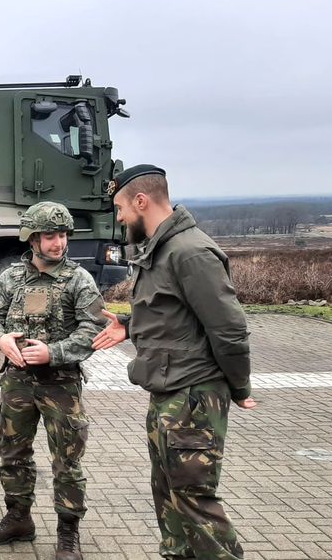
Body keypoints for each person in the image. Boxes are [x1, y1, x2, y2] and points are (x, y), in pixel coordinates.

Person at [92, 164, 256, 560]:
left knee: (195, 499)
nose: (119, 218)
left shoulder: (191, 252)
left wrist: (240, 387)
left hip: (193, 396)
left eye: (120, 208)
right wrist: (130, 327)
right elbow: (173, 313)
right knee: (169, 493)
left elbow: (228, 328)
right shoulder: (163, 249)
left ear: (142, 201)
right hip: (170, 393)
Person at [0, 201, 106, 560]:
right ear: (32, 238)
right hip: (17, 383)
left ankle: (68, 533)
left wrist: (55, 352)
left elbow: (93, 329)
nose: (58, 243)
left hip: (61, 386)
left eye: (63, 235)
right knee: (12, 454)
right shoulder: (11, 278)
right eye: (50, 235)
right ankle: (19, 519)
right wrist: (1, 339)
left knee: (66, 461)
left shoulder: (79, 279)